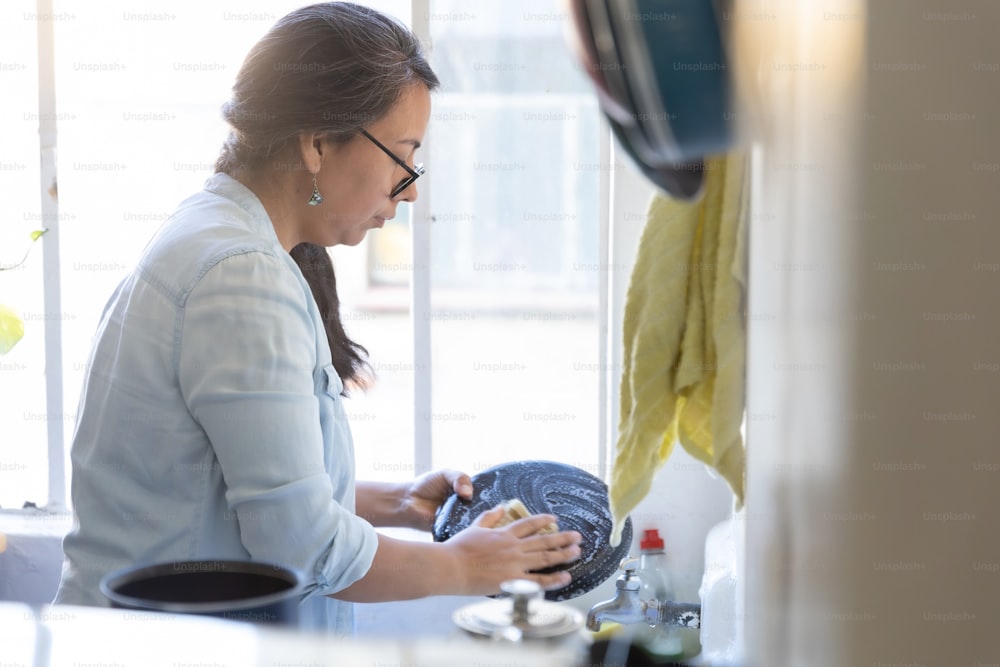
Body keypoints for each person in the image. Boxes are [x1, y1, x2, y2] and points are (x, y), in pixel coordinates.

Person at [53, 2, 581, 633]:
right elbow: (302, 545)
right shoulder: (239, 275)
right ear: (317, 143)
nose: (409, 189)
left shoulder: (221, 237)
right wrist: (462, 566)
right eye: (402, 155)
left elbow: (242, 486)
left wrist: (398, 504)